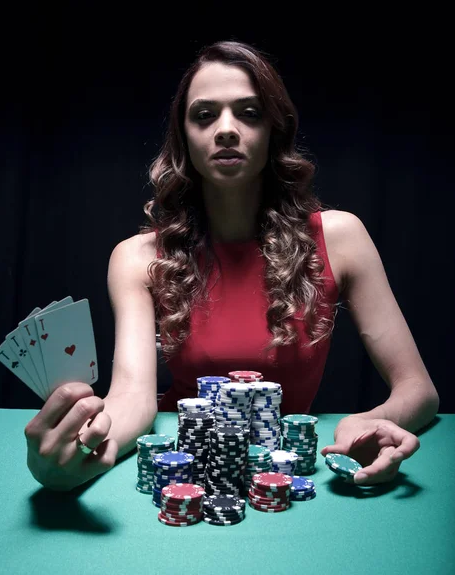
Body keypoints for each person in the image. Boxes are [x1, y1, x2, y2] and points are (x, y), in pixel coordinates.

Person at [24, 40, 439, 492]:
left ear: (273, 133)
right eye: (204, 115)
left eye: (249, 112)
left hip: (284, 475)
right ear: (184, 136)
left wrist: (368, 422)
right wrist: (91, 448)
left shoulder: (341, 238)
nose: (225, 129)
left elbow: (418, 390)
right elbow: (132, 396)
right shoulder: (137, 257)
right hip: (185, 468)